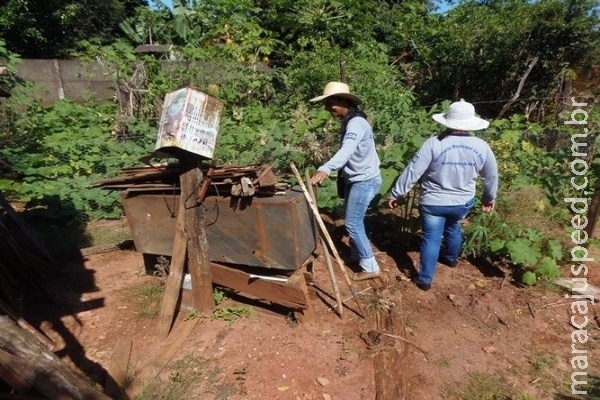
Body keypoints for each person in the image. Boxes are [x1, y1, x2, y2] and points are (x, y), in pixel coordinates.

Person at [387, 99, 498, 291]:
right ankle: (450, 259)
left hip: (433, 202)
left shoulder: (433, 144)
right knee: (453, 227)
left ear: (447, 121)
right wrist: (489, 197)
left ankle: (425, 279)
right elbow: (491, 175)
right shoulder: (482, 146)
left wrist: (397, 193)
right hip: (462, 202)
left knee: (431, 238)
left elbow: (413, 170)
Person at [309, 81, 382, 281]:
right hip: (358, 178)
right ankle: (357, 254)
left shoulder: (356, 124)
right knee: (354, 221)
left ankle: (370, 265)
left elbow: (347, 150)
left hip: (364, 180)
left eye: (330, 104)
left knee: (352, 224)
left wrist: (326, 168)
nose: (328, 109)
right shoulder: (351, 121)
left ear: (344, 101)